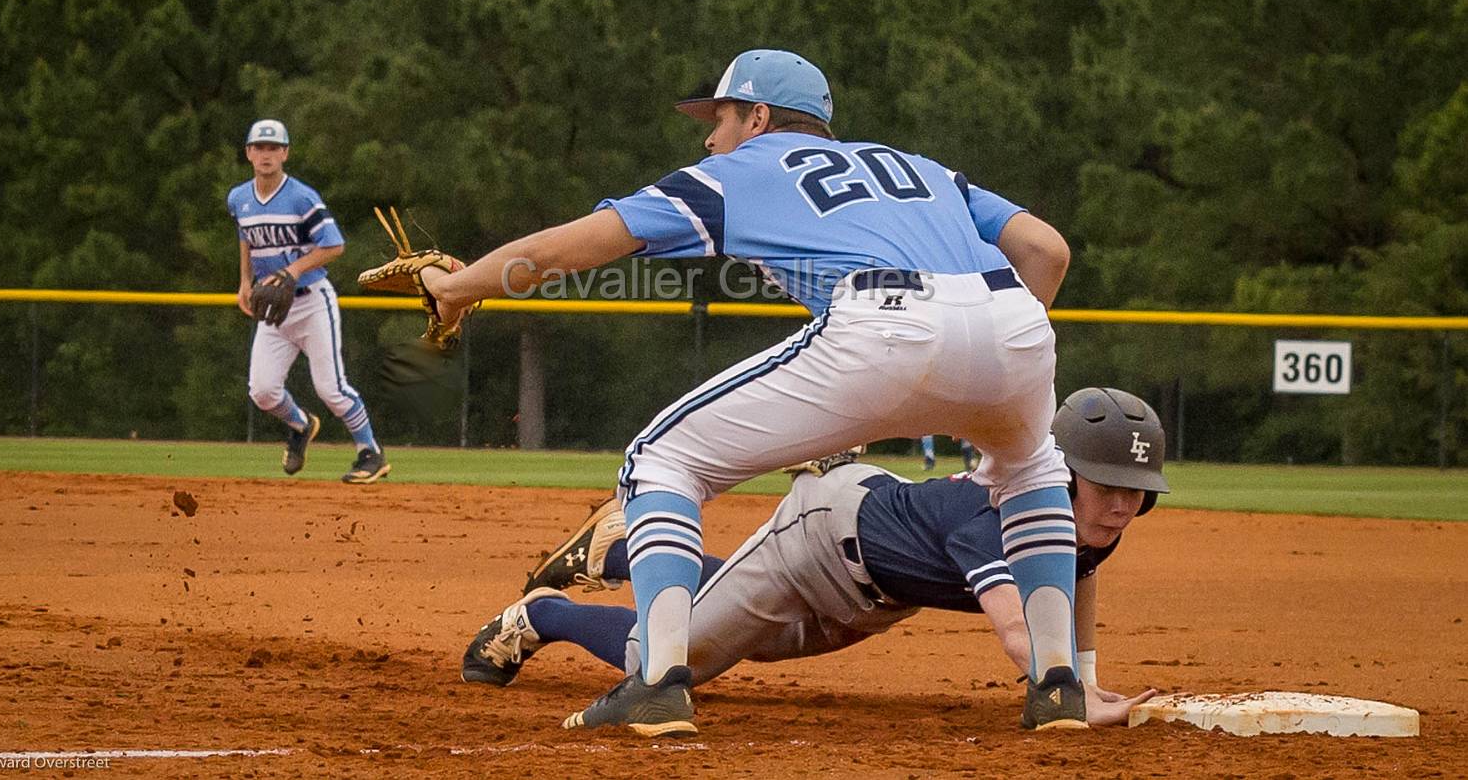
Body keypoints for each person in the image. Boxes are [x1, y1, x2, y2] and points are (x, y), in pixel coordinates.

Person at [425, 48, 1078, 734]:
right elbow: (1047, 251)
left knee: (660, 461)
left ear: (759, 116)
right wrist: (982, 355)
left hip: (881, 321)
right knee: (1031, 472)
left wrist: (456, 288)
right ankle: (1059, 686)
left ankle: (657, 682)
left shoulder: (736, 172)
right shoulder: (922, 168)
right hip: (1014, 321)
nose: (710, 136)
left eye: (721, 115)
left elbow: (571, 249)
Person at [461, 388, 1169, 729]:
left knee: (744, 637)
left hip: (872, 597)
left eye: (1135, 493)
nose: (1120, 506)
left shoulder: (1094, 522)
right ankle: (543, 616)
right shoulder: (999, 517)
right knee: (668, 659)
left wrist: (1091, 679)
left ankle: (619, 551)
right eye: (1107, 487)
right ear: (1064, 476)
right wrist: (1065, 692)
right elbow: (1021, 630)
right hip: (823, 536)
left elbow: (1077, 581)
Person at [227, 118, 389, 484]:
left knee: (331, 388)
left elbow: (335, 245)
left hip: (312, 302)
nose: (266, 154)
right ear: (249, 153)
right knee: (263, 392)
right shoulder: (239, 198)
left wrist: (294, 270)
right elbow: (245, 238)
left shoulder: (302, 197)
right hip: (273, 309)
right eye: (260, 147)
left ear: (285, 153)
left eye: (274, 148)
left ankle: (370, 452)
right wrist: (244, 282)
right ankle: (300, 426)